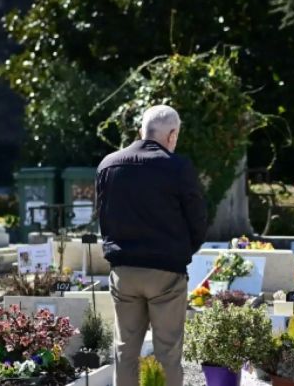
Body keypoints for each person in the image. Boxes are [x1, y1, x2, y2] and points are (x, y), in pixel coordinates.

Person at [97, 105, 207, 386]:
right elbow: (197, 219)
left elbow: (103, 218)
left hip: (124, 269)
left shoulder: (109, 164)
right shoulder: (178, 167)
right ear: (172, 135)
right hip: (166, 270)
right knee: (167, 351)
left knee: (125, 348)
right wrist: (184, 252)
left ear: (140, 132)